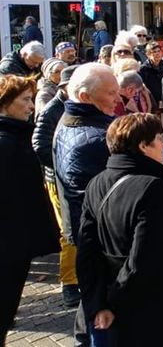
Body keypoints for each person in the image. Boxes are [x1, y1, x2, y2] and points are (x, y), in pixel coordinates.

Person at [76, 113, 163, 346]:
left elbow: (87, 251)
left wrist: (99, 303)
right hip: (155, 301)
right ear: (143, 146)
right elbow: (143, 257)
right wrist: (113, 301)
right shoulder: (153, 186)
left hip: (115, 291)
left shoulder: (96, 182)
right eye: (159, 138)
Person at [53, 63, 120, 344]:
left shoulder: (76, 122)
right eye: (111, 93)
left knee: (92, 301)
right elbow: (100, 201)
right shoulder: (92, 140)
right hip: (98, 239)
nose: (118, 99)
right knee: (102, 307)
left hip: (87, 233)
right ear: (84, 97)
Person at [0, 75, 61, 346]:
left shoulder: (16, 135)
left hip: (16, 243)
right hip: (8, 245)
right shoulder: (5, 142)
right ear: (4, 104)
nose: (31, 106)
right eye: (25, 99)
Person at [33, 65, 79, 307]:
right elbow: (39, 144)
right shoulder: (52, 109)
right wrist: (63, 164)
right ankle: (68, 282)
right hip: (57, 178)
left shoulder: (78, 105)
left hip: (74, 176)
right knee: (68, 230)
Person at [139, 41, 163, 106]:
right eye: (154, 52)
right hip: (149, 102)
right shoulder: (143, 69)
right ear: (148, 54)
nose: (157, 54)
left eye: (159, 51)